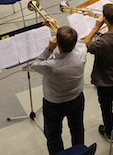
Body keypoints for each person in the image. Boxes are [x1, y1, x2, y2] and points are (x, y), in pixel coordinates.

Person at [31, 18, 87, 155]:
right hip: (76, 98)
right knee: (77, 128)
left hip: (54, 104)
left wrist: (49, 49)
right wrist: (56, 25)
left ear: (58, 46)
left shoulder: (51, 66)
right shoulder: (82, 51)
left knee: (53, 135)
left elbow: (35, 64)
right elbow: (76, 40)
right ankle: (79, 152)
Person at [83, 4, 113, 143]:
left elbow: (85, 45)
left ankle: (110, 132)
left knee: (106, 107)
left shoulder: (103, 42)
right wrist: (94, 15)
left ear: (104, 19)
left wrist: (95, 27)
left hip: (105, 80)